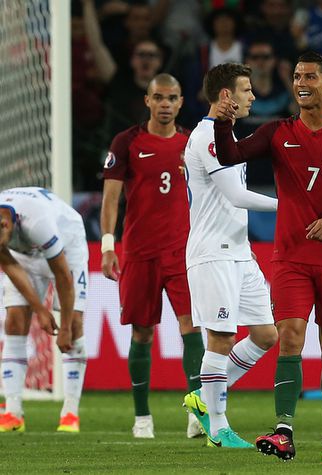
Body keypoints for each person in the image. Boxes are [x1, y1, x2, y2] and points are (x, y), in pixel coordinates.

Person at [213, 51, 322, 462]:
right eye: (297, 75)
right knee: (290, 336)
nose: (301, 82)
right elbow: (229, 155)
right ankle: (283, 431)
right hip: (290, 256)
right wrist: (224, 121)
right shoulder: (277, 131)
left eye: (310, 76)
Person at [100, 73, 205, 439]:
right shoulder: (127, 141)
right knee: (143, 332)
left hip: (182, 252)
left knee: (191, 326)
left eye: (171, 98)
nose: (164, 104)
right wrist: (108, 246)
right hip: (140, 252)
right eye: (158, 97)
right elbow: (112, 197)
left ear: (180, 102)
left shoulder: (193, 143)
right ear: (147, 101)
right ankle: (142, 418)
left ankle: (196, 413)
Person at [181, 63, 278, 448]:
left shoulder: (227, 137)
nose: (252, 96)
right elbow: (237, 197)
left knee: (266, 334)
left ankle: (204, 399)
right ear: (226, 96)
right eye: (246, 90)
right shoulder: (207, 138)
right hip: (213, 253)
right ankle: (218, 427)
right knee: (220, 336)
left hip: (239, 251)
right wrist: (288, 206)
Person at [0, 188, 88, 433]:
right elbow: (10, 265)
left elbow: (62, 276)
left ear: (5, 224)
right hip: (26, 255)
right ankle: (12, 413)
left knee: (75, 325)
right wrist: (39, 309)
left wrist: (65, 328)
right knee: (14, 320)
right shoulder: (1, 230)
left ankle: (70, 413)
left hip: (67, 247)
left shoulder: (39, 222)